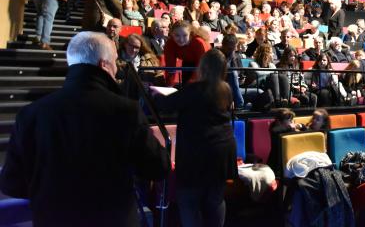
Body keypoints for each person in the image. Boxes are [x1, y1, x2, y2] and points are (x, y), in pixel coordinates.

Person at [0, 31, 170, 226]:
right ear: (104, 65)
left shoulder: (30, 114)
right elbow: (158, 168)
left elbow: (12, 183)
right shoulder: (126, 111)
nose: (116, 68)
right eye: (115, 61)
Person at [153, 49, 237, 227]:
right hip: (222, 151)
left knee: (189, 200)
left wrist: (154, 93)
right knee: (215, 200)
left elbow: (166, 105)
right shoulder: (226, 89)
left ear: (203, 67)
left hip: (197, 152)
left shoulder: (195, 89)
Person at [164, 21, 210, 86]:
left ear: (190, 34)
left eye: (185, 35)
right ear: (172, 34)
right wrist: (169, 86)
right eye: (177, 35)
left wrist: (189, 85)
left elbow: (202, 67)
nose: (181, 39)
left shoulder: (199, 43)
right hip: (187, 63)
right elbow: (170, 67)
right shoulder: (170, 43)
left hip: (206, 65)